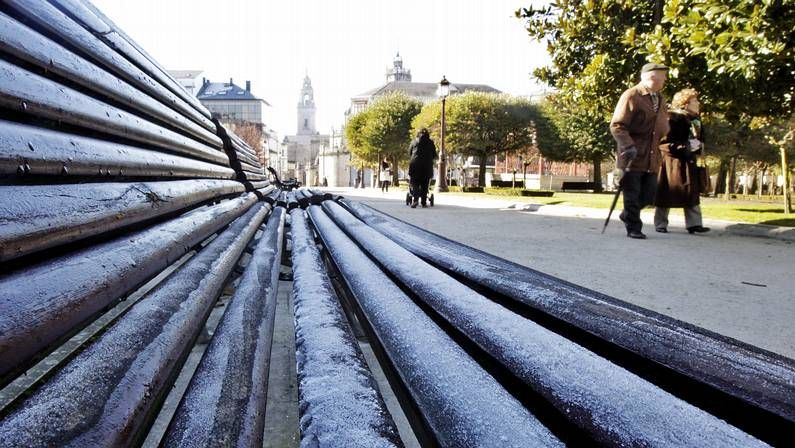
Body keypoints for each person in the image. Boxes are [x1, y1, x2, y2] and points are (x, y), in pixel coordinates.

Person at [609, 62, 671, 239]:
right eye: (663, 76)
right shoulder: (632, 95)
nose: (665, 79)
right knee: (632, 194)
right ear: (652, 76)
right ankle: (634, 227)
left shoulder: (660, 98)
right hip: (632, 155)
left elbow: (662, 125)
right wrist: (628, 145)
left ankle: (627, 214)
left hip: (652, 156)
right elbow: (617, 125)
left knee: (650, 195)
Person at [654, 88, 710, 234]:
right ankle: (660, 223)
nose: (698, 103)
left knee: (691, 192)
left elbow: (699, 139)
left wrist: (698, 147)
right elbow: (663, 143)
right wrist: (685, 147)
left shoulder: (695, 121)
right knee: (666, 192)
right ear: (685, 104)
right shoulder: (672, 118)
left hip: (689, 162)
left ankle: (694, 224)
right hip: (671, 163)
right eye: (694, 101)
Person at [408, 128, 437, 208]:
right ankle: (424, 202)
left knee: (415, 183)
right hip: (426, 166)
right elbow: (434, 155)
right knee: (425, 184)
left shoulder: (414, 142)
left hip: (415, 165)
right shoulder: (431, 143)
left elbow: (409, 152)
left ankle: (416, 200)